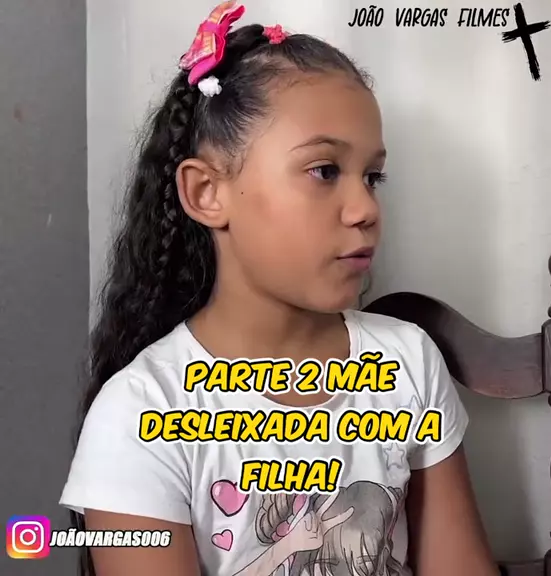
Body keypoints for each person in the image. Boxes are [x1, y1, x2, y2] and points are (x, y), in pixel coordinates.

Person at [60, 2, 500, 575]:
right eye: (324, 171)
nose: (366, 209)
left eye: (373, 177)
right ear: (207, 193)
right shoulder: (142, 412)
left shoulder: (407, 362)